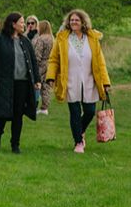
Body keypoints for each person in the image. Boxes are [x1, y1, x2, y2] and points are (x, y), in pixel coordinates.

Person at [46, 8, 112, 154]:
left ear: (83, 22)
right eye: (71, 20)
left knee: (89, 111)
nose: (74, 22)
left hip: (89, 81)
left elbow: (101, 62)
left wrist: (106, 82)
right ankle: (78, 142)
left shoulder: (92, 38)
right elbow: (54, 59)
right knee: (74, 112)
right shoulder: (62, 38)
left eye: (77, 20)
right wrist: (50, 77)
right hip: (69, 81)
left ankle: (80, 131)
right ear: (68, 23)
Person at [0, 12, 41, 154]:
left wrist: (37, 80)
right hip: (4, 83)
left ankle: (15, 144)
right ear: (13, 24)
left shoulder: (25, 40)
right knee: (3, 113)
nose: (24, 25)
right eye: (21, 22)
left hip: (22, 83)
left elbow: (33, 61)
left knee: (18, 113)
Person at [31, 20, 55, 115]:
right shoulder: (52, 38)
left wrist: (34, 66)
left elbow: (37, 55)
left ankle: (34, 105)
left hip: (41, 65)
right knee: (46, 86)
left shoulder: (41, 39)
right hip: (50, 64)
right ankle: (45, 107)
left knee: (37, 85)